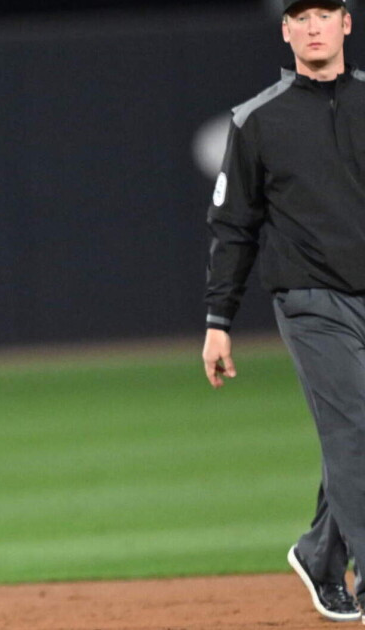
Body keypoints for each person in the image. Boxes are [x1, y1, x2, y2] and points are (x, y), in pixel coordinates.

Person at [202, 0, 365, 622]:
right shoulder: (258, 120)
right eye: (301, 16)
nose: (314, 25)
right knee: (354, 431)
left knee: (354, 438)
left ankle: (320, 554)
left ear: (346, 23)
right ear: (286, 31)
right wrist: (219, 321)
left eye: (325, 12)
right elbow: (232, 227)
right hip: (310, 300)